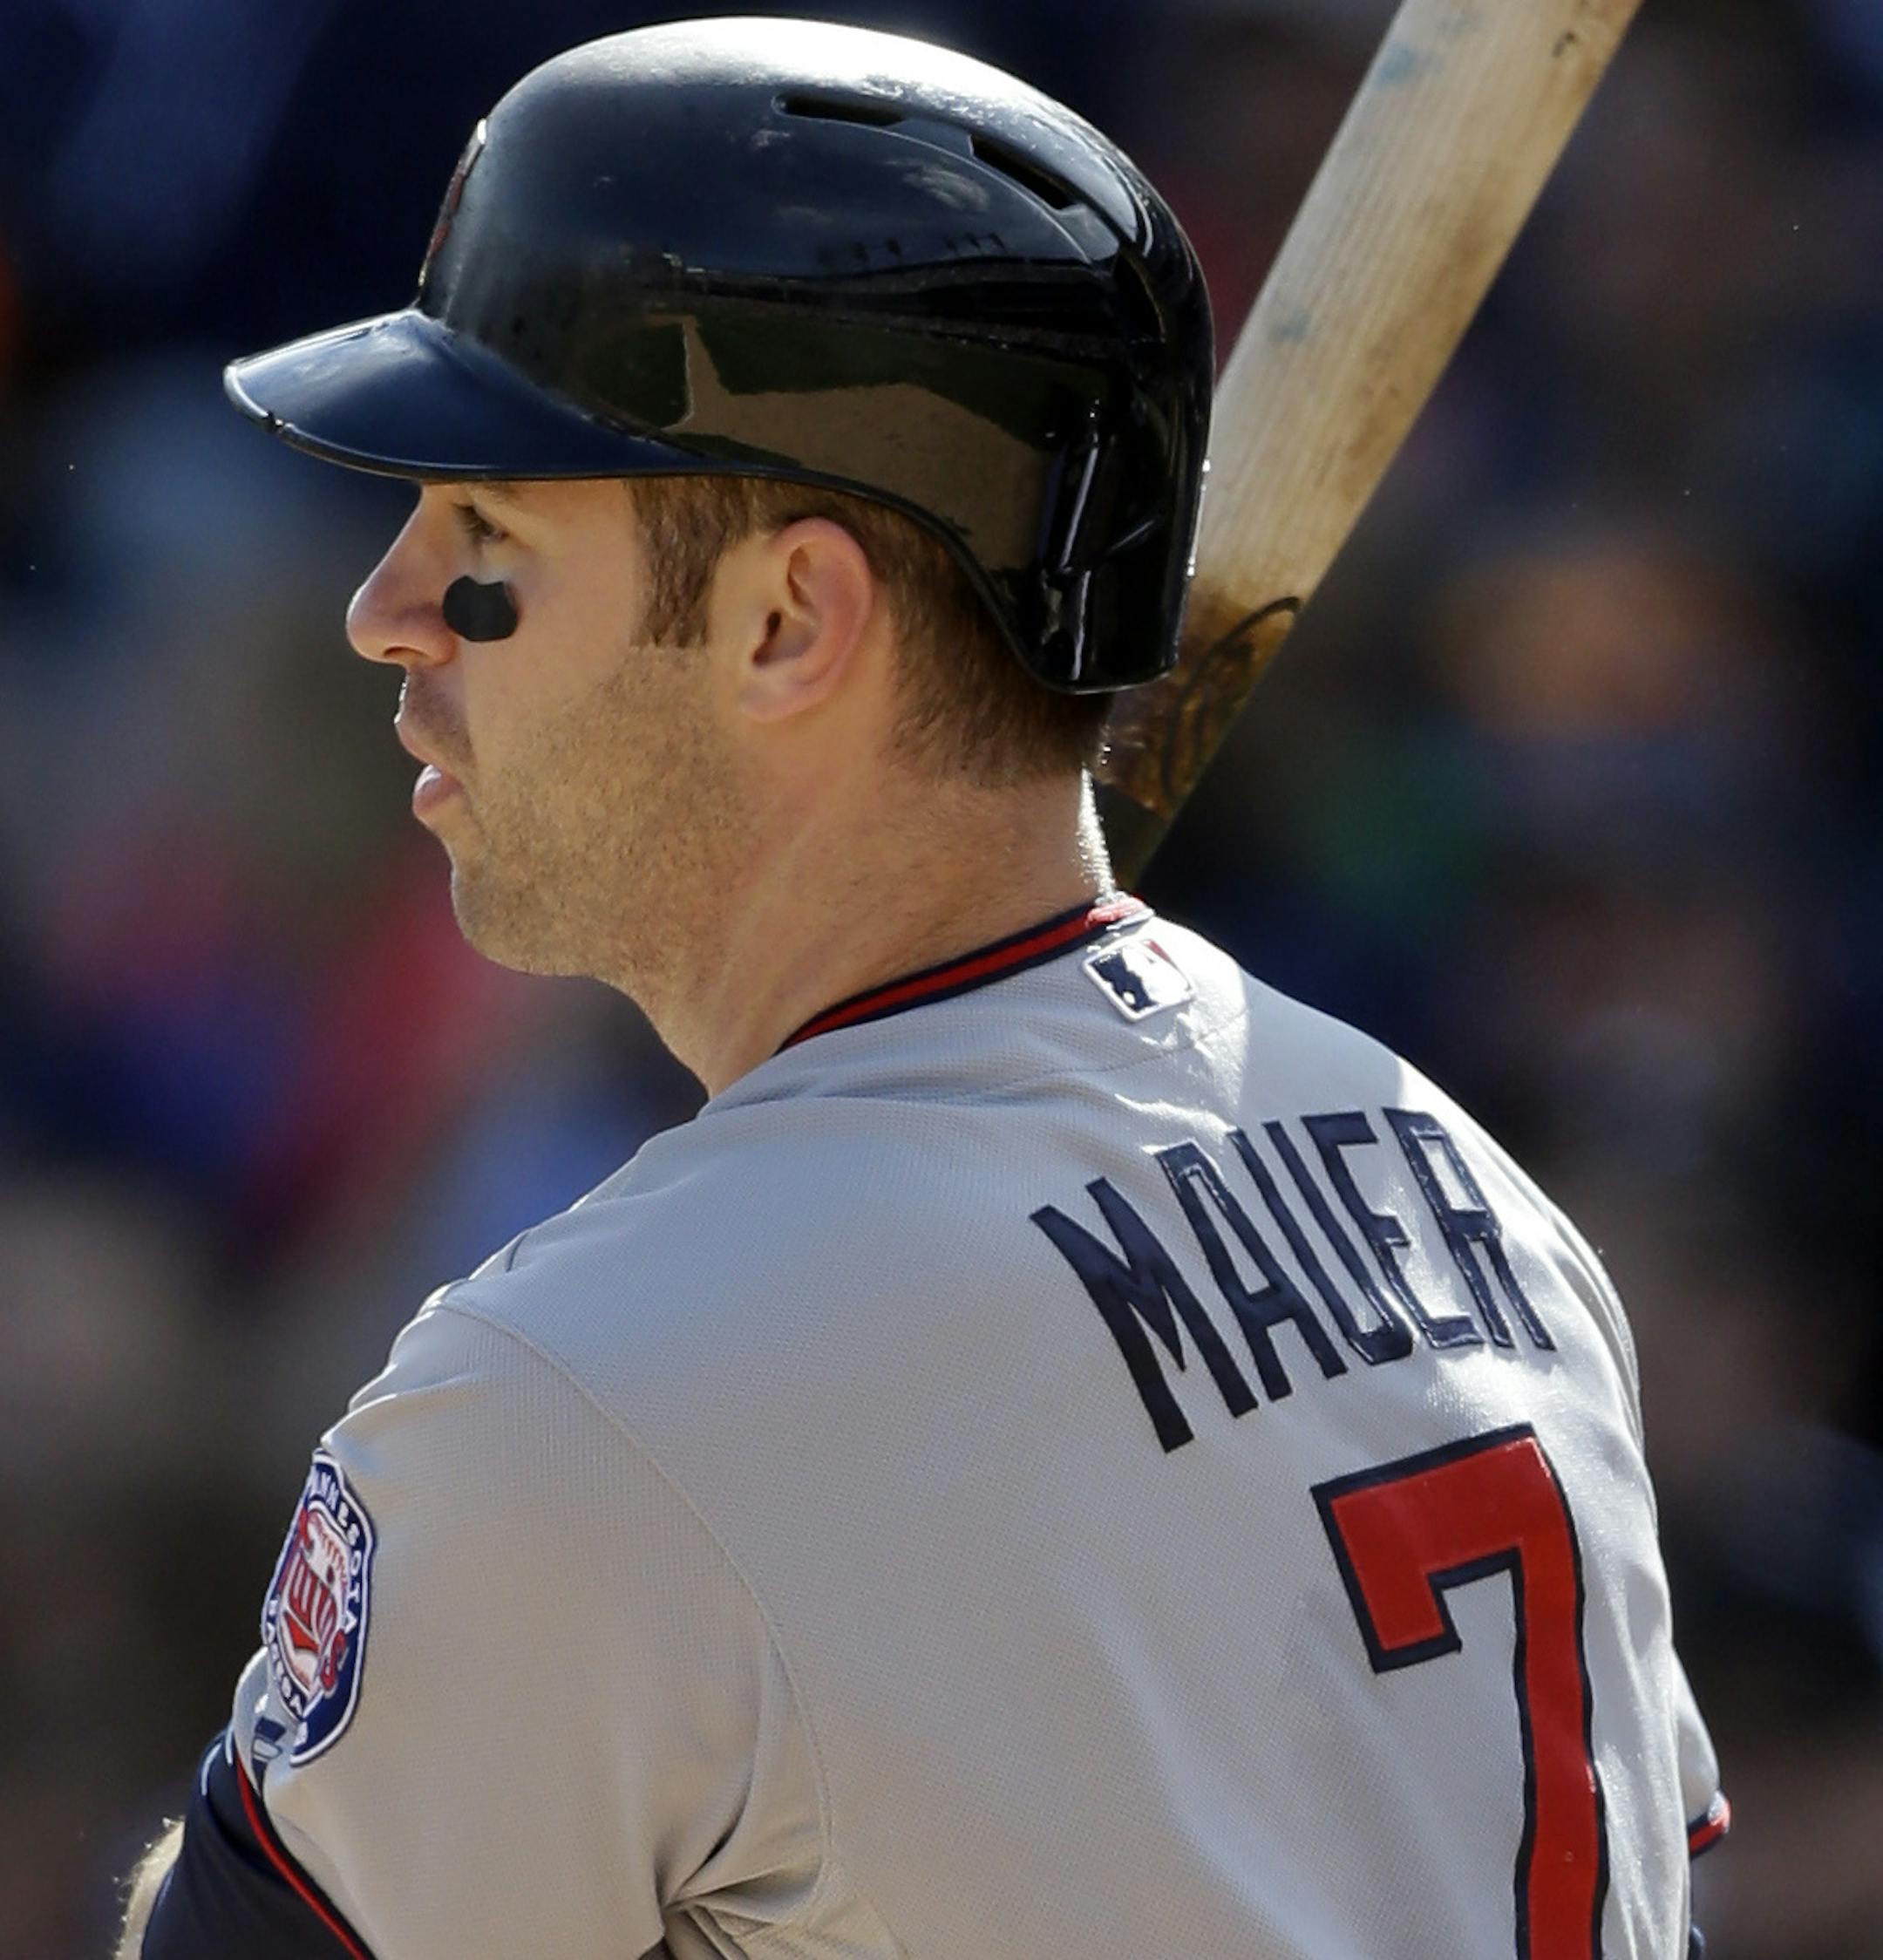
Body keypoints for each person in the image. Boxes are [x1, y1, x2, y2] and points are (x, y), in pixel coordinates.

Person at [120, 18, 1727, 1960]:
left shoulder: (577, 1399)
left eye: (487, 535)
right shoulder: (1459, 1178)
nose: (383, 605)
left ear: (791, 619)